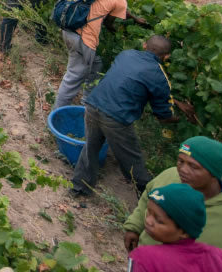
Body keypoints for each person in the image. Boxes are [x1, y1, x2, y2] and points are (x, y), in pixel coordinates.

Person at [123, 136, 222, 271]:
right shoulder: (170, 177)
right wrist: (134, 226)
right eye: (180, 161)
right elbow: (148, 197)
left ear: (213, 173)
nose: (183, 170)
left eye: (194, 166)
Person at [72, 36, 182, 198]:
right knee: (133, 161)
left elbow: (130, 79)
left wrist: (175, 101)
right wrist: (179, 118)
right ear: (166, 57)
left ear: (144, 45)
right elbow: (163, 116)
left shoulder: (126, 54)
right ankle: (150, 200)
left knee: (90, 148)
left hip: (93, 104)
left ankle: (79, 188)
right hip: (116, 117)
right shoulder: (159, 75)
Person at [55, 0, 148, 107]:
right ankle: (57, 112)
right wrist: (121, 35)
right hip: (84, 39)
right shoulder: (120, 1)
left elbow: (99, 2)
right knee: (73, 78)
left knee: (96, 63)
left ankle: (87, 101)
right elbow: (109, 22)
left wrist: (133, 18)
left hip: (69, 28)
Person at [127, 183, 222, 272]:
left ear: (185, 232)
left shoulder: (144, 258)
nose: (148, 220)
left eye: (159, 220)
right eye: (149, 212)